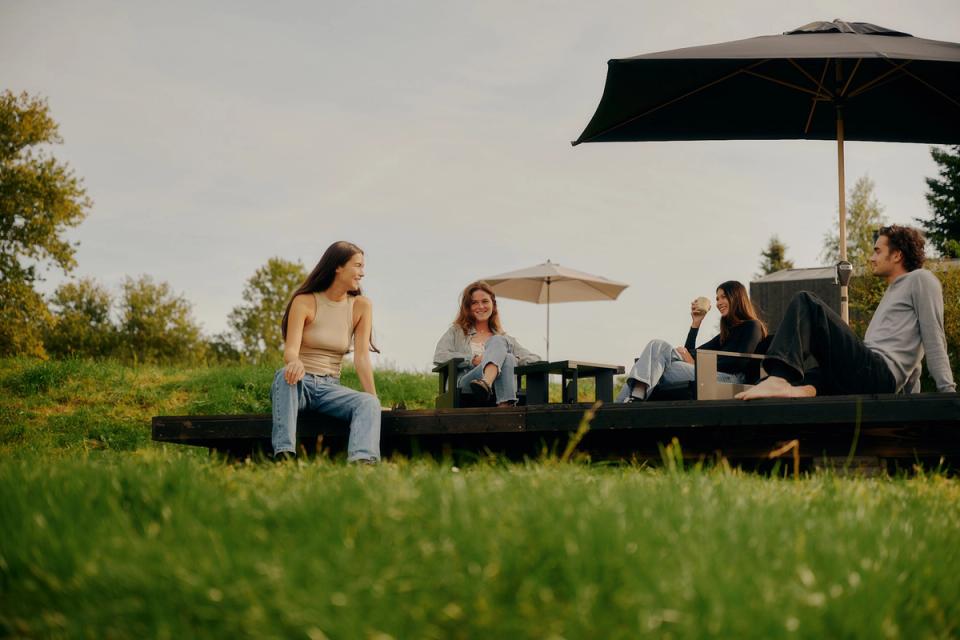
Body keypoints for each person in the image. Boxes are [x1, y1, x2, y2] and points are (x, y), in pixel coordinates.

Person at [737, 225, 955, 400]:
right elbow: (912, 359)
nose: (872, 258)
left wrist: (948, 394)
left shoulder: (921, 279)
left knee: (807, 303)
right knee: (799, 378)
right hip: (871, 378)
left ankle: (779, 377)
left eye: (878, 251)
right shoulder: (893, 291)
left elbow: (933, 337)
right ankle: (802, 388)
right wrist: (909, 402)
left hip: (876, 375)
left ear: (897, 255)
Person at [271, 241, 381, 462]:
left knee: (368, 403)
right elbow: (290, 350)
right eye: (357, 266)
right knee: (284, 377)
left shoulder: (361, 306)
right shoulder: (304, 301)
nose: (362, 273)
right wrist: (295, 362)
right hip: (299, 383)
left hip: (330, 388)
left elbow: (361, 358)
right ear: (338, 267)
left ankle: (363, 461)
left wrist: (374, 399)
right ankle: (284, 454)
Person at [616, 281, 766, 402]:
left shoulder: (752, 326)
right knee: (653, 357)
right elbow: (690, 353)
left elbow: (739, 362)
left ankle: (625, 403)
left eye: (723, 297)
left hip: (730, 379)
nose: (719, 302)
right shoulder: (726, 333)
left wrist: (697, 364)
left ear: (737, 298)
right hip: (710, 373)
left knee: (651, 364)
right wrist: (696, 323)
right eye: (717, 299)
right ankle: (632, 399)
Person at [433, 281, 541, 406]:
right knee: (505, 352)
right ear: (468, 307)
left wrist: (512, 359)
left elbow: (535, 358)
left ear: (493, 305)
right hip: (467, 382)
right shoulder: (457, 332)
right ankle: (493, 391)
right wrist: (472, 360)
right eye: (474, 303)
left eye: (485, 301)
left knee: (507, 355)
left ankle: (495, 395)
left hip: (496, 385)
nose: (480, 306)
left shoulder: (504, 338)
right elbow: (439, 356)